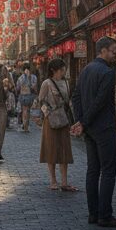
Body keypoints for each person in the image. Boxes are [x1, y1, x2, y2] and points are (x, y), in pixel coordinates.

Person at [71, 36, 116, 228]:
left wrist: (81, 121)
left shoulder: (86, 70)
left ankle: (93, 213)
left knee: (93, 170)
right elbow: (100, 102)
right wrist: (83, 122)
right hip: (104, 127)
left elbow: (76, 97)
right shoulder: (108, 72)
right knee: (108, 171)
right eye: (113, 51)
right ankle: (105, 215)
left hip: (90, 129)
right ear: (102, 51)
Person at [38, 58, 75, 191]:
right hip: (51, 121)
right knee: (51, 150)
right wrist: (48, 114)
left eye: (64, 69)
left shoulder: (66, 82)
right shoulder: (46, 83)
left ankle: (64, 182)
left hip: (64, 120)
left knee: (64, 150)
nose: (63, 71)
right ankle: (53, 181)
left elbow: (68, 101)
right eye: (61, 69)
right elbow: (41, 100)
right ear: (54, 70)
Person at [16, 63, 38, 132]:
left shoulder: (21, 77)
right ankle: (26, 125)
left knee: (25, 110)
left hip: (24, 95)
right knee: (27, 110)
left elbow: (18, 87)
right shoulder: (34, 77)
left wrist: (28, 78)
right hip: (30, 96)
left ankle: (25, 125)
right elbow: (34, 87)